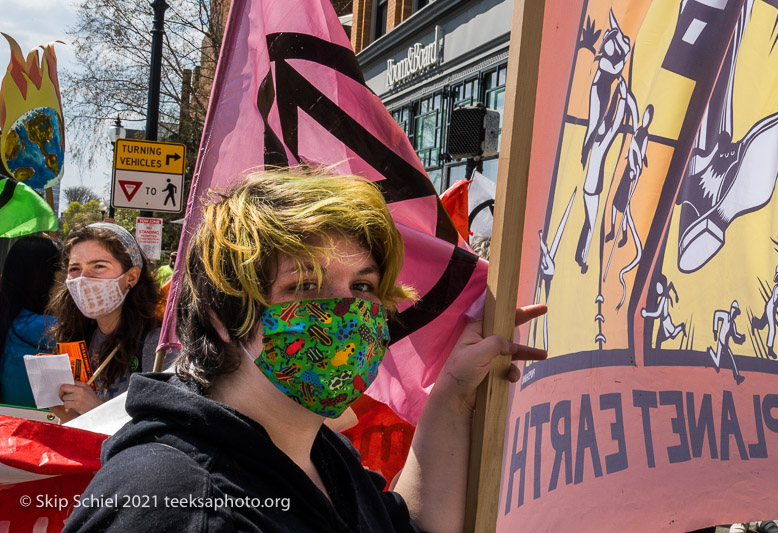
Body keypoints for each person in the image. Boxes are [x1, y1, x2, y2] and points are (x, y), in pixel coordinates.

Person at [62, 170, 547, 532]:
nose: (344, 312)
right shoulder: (182, 505)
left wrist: (454, 391)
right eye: (306, 286)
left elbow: (409, 527)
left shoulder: (317, 453)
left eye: (362, 286)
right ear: (225, 316)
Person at [47, 223, 170, 422]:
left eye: (98, 266)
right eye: (75, 268)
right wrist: (68, 415)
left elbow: (160, 435)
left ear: (131, 277)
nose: (83, 279)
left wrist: (95, 409)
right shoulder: (77, 337)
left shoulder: (157, 347)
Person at [0, 236, 61, 407]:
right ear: (46, 275)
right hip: (38, 428)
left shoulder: (11, 320)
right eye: (61, 267)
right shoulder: (48, 327)